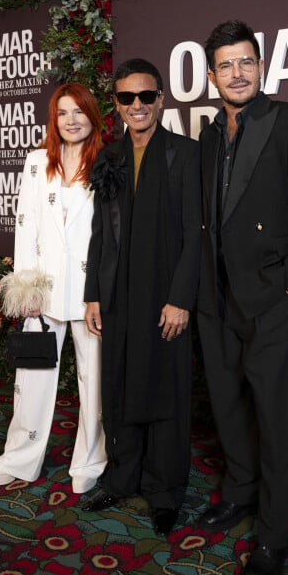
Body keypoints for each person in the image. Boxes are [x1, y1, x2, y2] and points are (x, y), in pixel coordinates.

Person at [196, 20, 288, 575]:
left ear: (261, 66)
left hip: (270, 299)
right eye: (225, 65)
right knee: (227, 407)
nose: (237, 73)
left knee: (277, 421)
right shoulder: (206, 135)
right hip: (216, 297)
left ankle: (274, 534)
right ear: (210, 75)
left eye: (245, 61)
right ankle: (239, 494)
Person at [82, 58, 201, 537]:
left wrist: (181, 297)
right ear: (116, 104)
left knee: (167, 391)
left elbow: (197, 233)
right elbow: (99, 233)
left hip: (165, 296)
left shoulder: (185, 155)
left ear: (161, 100)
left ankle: (165, 491)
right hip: (117, 295)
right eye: (127, 98)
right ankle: (121, 476)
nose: (137, 105)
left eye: (146, 96)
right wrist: (93, 294)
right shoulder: (108, 158)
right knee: (120, 385)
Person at [0, 82, 107, 495]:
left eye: (79, 111)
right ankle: (19, 458)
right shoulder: (37, 162)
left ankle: (90, 462)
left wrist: (104, 290)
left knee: (95, 380)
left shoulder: (107, 161)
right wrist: (26, 286)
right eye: (63, 113)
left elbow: (113, 233)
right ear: (54, 119)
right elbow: (26, 223)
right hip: (44, 288)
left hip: (92, 292)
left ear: (92, 114)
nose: (72, 121)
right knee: (32, 375)